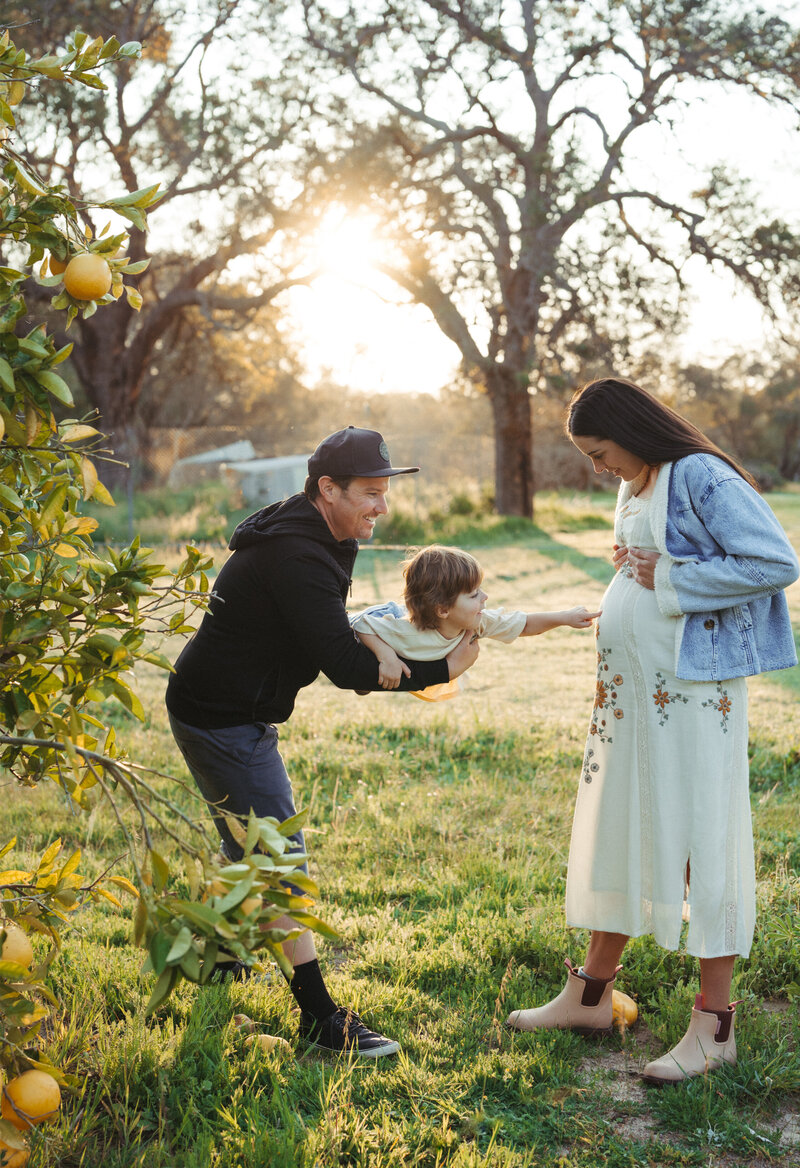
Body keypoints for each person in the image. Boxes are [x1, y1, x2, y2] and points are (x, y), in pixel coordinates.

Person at [506, 377, 799, 1085]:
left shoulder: (698, 472)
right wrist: (636, 566)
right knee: (624, 825)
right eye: (590, 457)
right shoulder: (639, 480)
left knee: (699, 834)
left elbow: (774, 562)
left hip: (693, 695)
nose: (598, 468)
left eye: (602, 452)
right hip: (632, 697)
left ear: (634, 432)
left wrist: (671, 574)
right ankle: (591, 996)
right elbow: (650, 561)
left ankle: (714, 1027)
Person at [166, 426, 480, 1059]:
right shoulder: (298, 554)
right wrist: (437, 673)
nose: (381, 508)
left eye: (384, 493)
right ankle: (318, 1017)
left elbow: (334, 627)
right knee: (281, 858)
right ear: (326, 488)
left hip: (223, 708)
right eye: (369, 493)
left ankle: (220, 958)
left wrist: (379, 643)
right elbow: (342, 662)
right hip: (223, 718)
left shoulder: (321, 533)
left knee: (249, 842)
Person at [350, 544, 600, 701]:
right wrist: (386, 657)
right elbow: (359, 625)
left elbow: (522, 624)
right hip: (379, 619)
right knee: (363, 656)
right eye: (473, 595)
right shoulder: (406, 632)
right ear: (443, 610)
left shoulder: (475, 623)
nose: (486, 597)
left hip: (403, 634)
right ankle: (361, 681)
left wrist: (565, 617)